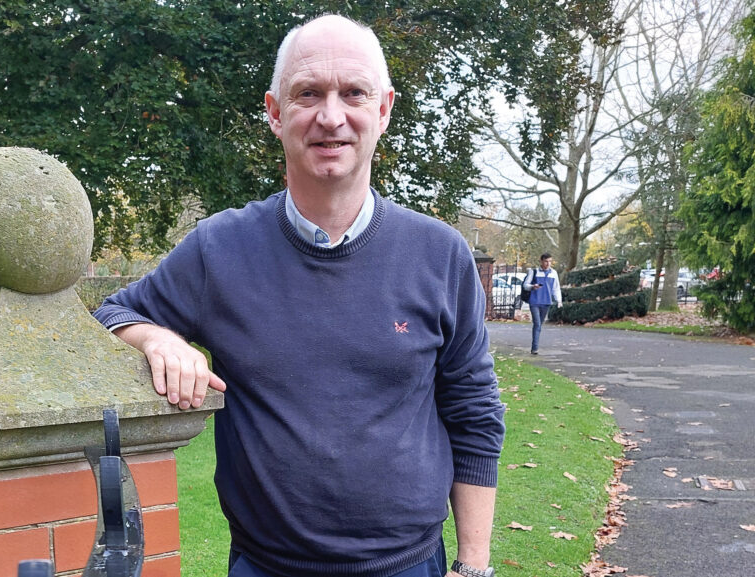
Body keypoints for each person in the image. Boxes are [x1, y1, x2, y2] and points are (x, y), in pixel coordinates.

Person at [94, 15, 504, 577]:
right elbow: (110, 313)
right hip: (265, 566)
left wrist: (474, 565)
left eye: (353, 93)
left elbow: (474, 413)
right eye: (307, 93)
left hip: (410, 565)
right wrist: (155, 337)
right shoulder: (220, 249)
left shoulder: (440, 254)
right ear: (275, 112)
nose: (330, 116)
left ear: (383, 110)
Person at [522, 253, 563, 354]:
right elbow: (525, 285)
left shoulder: (553, 273)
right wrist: (533, 286)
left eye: (550, 261)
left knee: (539, 324)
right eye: (546, 261)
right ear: (541, 261)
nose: (548, 264)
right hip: (535, 301)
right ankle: (535, 348)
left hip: (546, 302)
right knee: (537, 324)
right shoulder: (534, 272)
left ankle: (535, 346)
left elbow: (556, 288)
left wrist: (559, 300)